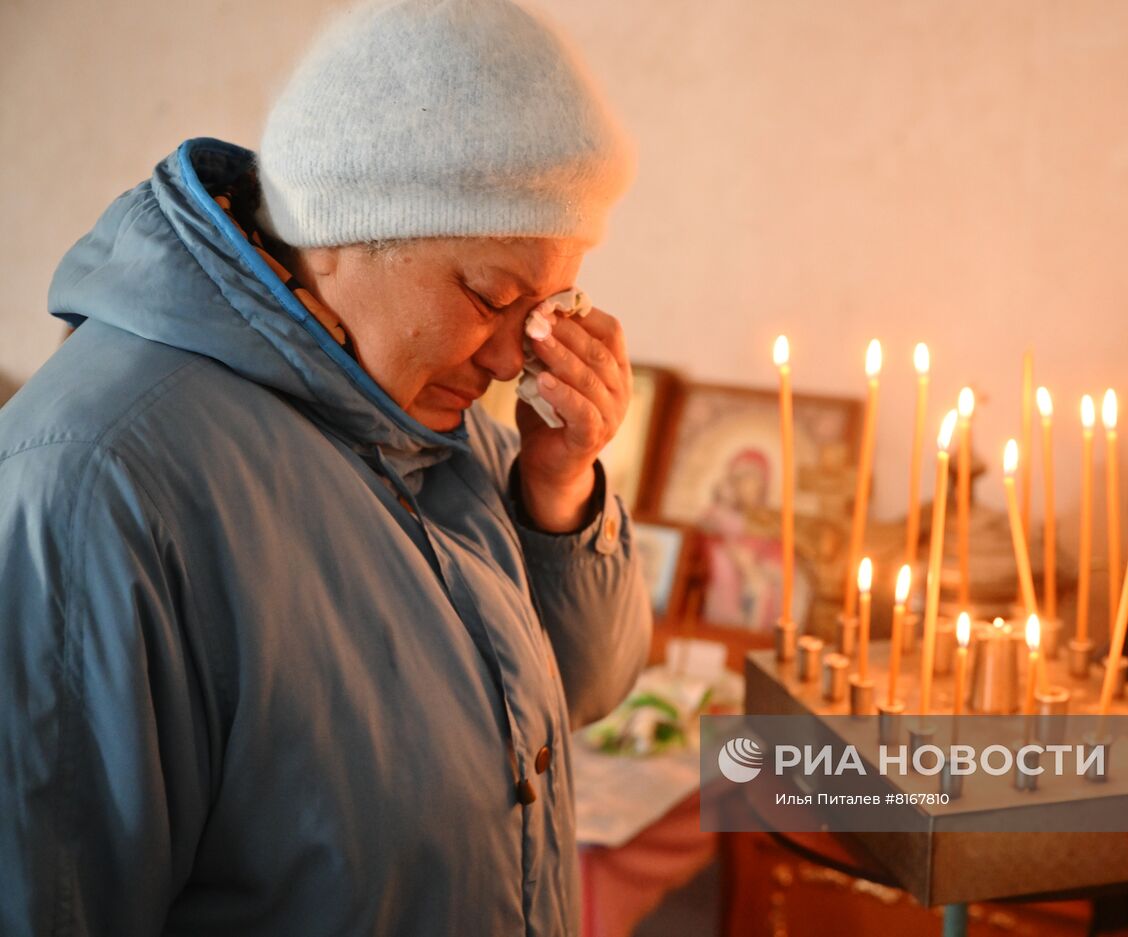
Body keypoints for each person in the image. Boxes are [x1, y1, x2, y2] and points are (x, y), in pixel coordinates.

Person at [0, 1, 651, 934]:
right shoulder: (95, 489)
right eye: (491, 294)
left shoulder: (447, 428)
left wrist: (560, 489)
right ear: (344, 227)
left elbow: (577, 695)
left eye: (549, 303)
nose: (518, 360)